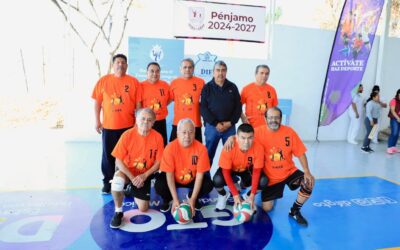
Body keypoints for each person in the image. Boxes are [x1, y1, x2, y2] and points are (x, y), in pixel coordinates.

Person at [92, 53, 141, 194]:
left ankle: (126, 182)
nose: (120, 65)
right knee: (108, 156)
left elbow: (138, 105)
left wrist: (137, 125)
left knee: (128, 157)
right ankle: (107, 182)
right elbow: (97, 104)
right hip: (109, 126)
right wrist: (97, 121)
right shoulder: (103, 81)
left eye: (123, 62)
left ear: (127, 65)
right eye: (117, 62)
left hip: (128, 127)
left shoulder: (133, 82)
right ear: (113, 65)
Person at [109, 108, 164, 229]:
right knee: (117, 182)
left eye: (149, 120)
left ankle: (130, 190)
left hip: (145, 175)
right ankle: (118, 212)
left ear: (154, 122)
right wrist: (132, 178)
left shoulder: (158, 137)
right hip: (128, 172)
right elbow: (118, 160)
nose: (145, 122)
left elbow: (159, 162)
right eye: (143, 119)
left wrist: (144, 176)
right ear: (137, 120)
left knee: (143, 209)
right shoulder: (127, 135)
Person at [155, 118, 213, 213]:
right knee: (159, 185)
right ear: (177, 133)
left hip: (192, 178)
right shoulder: (169, 148)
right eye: (184, 132)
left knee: (208, 184)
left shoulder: (201, 149)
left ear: (195, 133)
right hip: (174, 178)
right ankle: (168, 199)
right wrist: (175, 199)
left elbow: (199, 175)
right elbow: (169, 175)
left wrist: (193, 198)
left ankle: (192, 197)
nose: (187, 136)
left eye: (191, 132)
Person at [213, 123, 268, 211]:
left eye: (250, 138)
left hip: (246, 169)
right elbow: (226, 173)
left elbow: (256, 172)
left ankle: (247, 196)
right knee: (217, 180)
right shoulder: (229, 146)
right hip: (231, 169)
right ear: (237, 138)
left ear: (253, 137)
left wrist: (252, 195)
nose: (246, 142)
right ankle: (223, 195)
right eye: (243, 138)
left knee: (263, 181)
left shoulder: (258, 148)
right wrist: (235, 194)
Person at [200, 60, 242, 165]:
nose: (220, 73)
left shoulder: (232, 87)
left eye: (223, 70)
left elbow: (238, 107)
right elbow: (203, 108)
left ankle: (230, 179)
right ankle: (206, 178)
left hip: (229, 127)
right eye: (218, 70)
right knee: (208, 155)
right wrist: (216, 123)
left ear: (226, 72)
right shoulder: (206, 88)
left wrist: (231, 122)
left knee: (231, 155)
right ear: (213, 72)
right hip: (212, 127)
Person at [169, 58, 205, 143]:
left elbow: (205, 102)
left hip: (195, 123)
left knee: (196, 150)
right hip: (178, 123)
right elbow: (169, 100)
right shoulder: (174, 83)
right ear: (180, 69)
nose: (187, 69)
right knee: (174, 150)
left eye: (190, 67)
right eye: (185, 67)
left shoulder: (201, 82)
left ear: (193, 68)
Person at [140, 62, 170, 146]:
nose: (155, 73)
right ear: (147, 72)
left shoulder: (165, 85)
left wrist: (162, 106)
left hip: (160, 122)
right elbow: (138, 105)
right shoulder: (141, 86)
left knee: (162, 146)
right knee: (146, 146)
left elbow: (169, 99)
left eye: (157, 71)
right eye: (152, 71)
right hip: (146, 122)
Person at [387, 89, 400, 154]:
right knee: (394, 133)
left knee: (397, 134)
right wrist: (398, 118)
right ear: (398, 94)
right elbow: (392, 110)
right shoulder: (393, 100)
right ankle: (389, 147)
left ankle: (393, 147)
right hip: (394, 119)